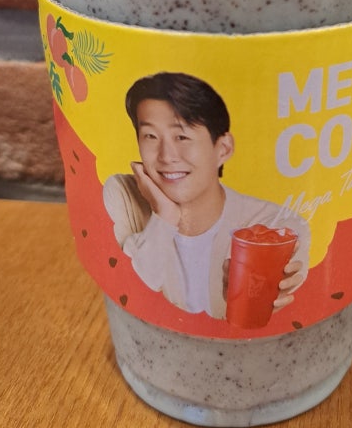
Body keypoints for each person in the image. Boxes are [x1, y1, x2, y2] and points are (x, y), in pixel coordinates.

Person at [102, 71, 310, 320]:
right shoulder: (123, 196)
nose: (166, 156)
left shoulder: (277, 225)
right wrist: (165, 216)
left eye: (182, 136)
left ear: (223, 149)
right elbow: (132, 288)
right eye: (150, 136)